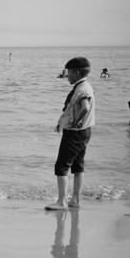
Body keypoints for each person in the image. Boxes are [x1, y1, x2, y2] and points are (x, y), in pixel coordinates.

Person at [45, 57, 95, 211]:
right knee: (78, 166)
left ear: (77, 72)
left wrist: (77, 122)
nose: (67, 76)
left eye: (69, 72)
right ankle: (75, 199)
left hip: (75, 133)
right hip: (85, 131)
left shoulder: (81, 89)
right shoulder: (85, 85)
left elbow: (85, 107)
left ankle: (62, 202)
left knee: (61, 166)